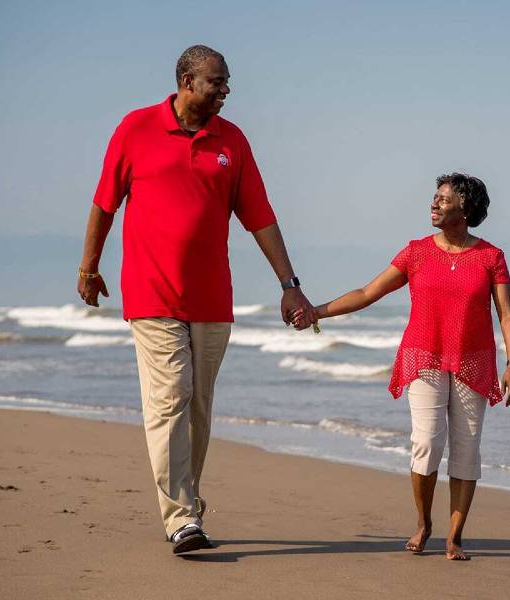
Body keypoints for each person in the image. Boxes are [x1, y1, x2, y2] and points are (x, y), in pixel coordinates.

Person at [76, 44, 317, 554]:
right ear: (187, 81)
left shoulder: (231, 140)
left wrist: (289, 283)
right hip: (150, 293)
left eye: (226, 83)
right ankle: (181, 518)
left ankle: (188, 504)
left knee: (199, 407)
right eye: (216, 83)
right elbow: (104, 203)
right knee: (171, 398)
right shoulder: (135, 129)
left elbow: (260, 217)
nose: (225, 92)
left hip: (212, 299)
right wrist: (89, 267)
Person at [292, 173, 510, 560]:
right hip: (425, 357)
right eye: (434, 197)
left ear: (465, 209)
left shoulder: (490, 256)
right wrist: (317, 311)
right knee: (427, 442)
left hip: (472, 362)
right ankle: (423, 522)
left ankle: (455, 535)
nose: (434, 204)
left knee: (467, 449)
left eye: (444, 199)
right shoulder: (416, 252)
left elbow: (507, 315)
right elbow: (368, 293)